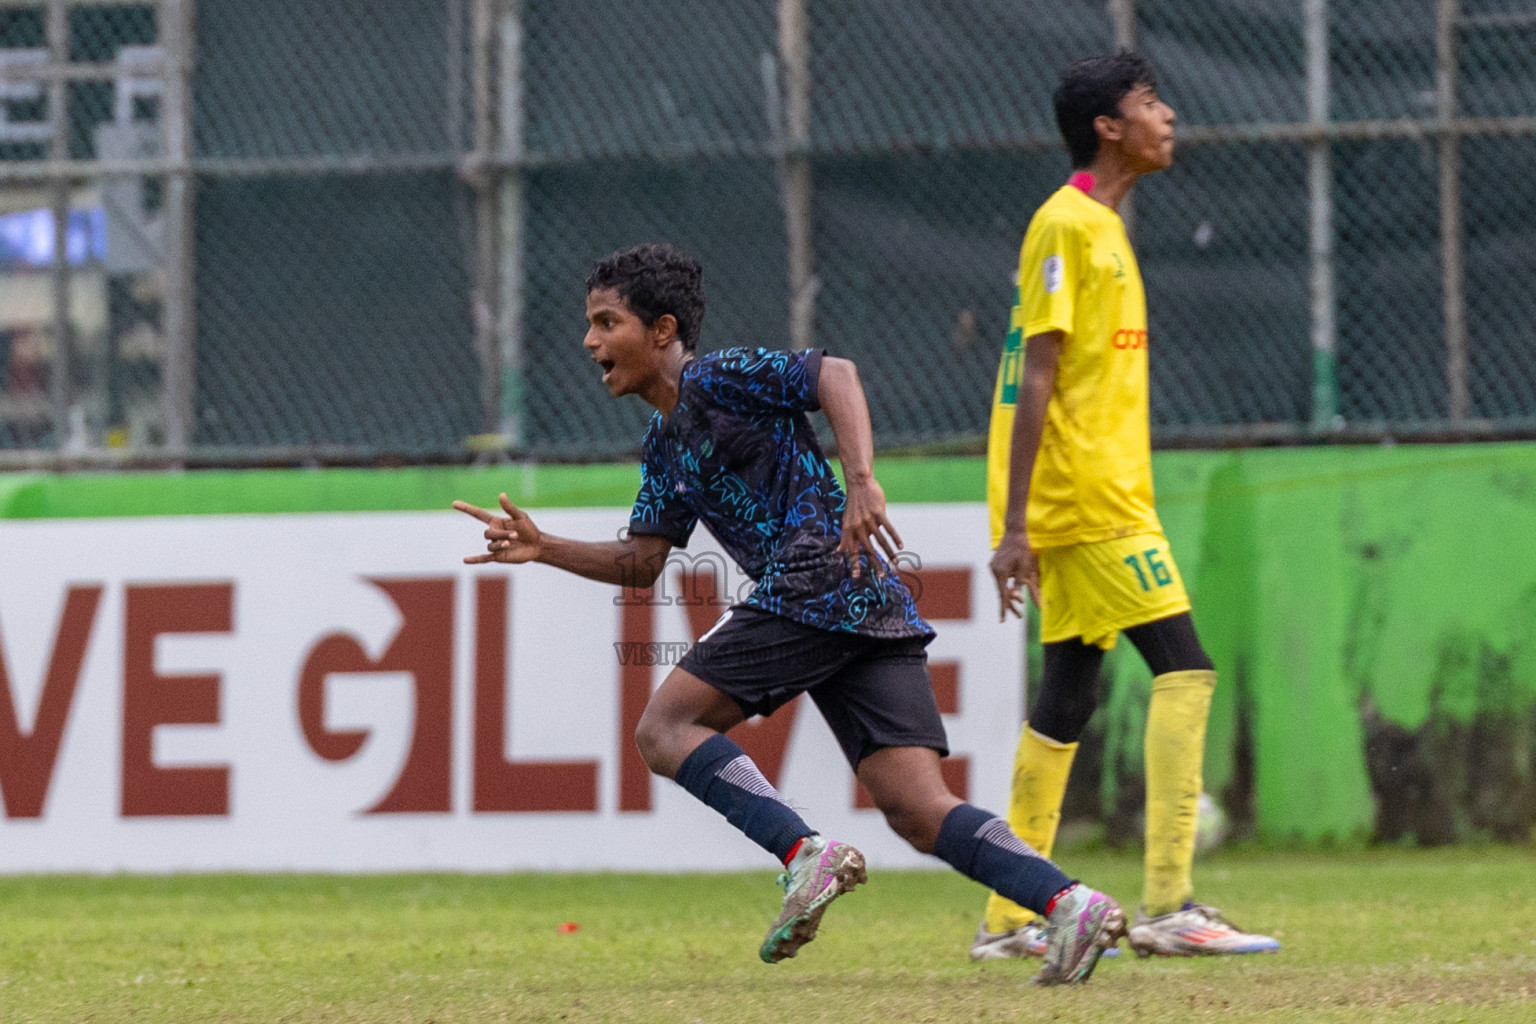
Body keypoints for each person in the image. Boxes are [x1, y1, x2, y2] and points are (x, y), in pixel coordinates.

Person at [455, 242, 1123, 984]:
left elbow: (834, 373)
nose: (590, 342)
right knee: (917, 808)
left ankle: (807, 855)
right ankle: (1072, 904)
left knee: (664, 728)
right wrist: (543, 546)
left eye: (607, 323)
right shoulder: (665, 443)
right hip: (862, 597)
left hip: (815, 579)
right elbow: (643, 562)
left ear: (663, 331)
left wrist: (862, 481)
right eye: (590, 324)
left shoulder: (716, 378)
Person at [974, 54, 1281, 960]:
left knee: (1066, 698)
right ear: (1110, 126)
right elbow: (1038, 372)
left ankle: (1009, 916)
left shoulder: (1100, 225)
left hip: (1087, 499)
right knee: (1185, 668)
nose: (1168, 115)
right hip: (1090, 502)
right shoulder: (1066, 226)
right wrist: (1018, 525)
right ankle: (1170, 904)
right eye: (1151, 103)